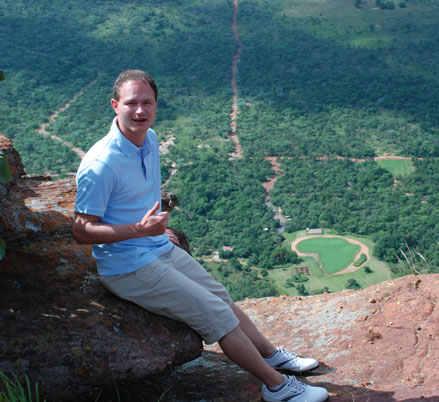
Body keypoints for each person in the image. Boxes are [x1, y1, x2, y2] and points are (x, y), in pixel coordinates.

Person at [72, 69, 329, 402]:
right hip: (128, 268)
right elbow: (81, 231)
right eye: (131, 103)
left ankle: (269, 354)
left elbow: (133, 198)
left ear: (156, 105)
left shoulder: (149, 139)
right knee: (216, 315)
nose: (140, 110)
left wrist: (156, 233)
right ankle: (277, 387)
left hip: (155, 247)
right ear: (114, 105)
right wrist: (139, 230)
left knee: (221, 296)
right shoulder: (101, 163)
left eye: (147, 103)